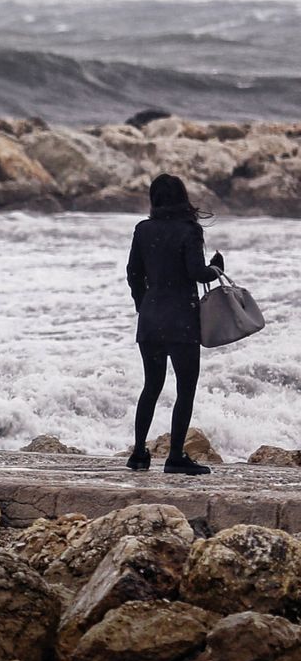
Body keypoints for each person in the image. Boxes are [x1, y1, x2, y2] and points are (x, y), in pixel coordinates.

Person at [125, 173, 224, 475]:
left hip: (151, 321)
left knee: (151, 386)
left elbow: (132, 272)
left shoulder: (143, 230)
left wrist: (143, 303)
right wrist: (217, 268)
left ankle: (139, 454)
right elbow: (196, 272)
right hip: (182, 322)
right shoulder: (189, 230)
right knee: (185, 389)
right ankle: (175, 457)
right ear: (182, 197)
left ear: (154, 199)